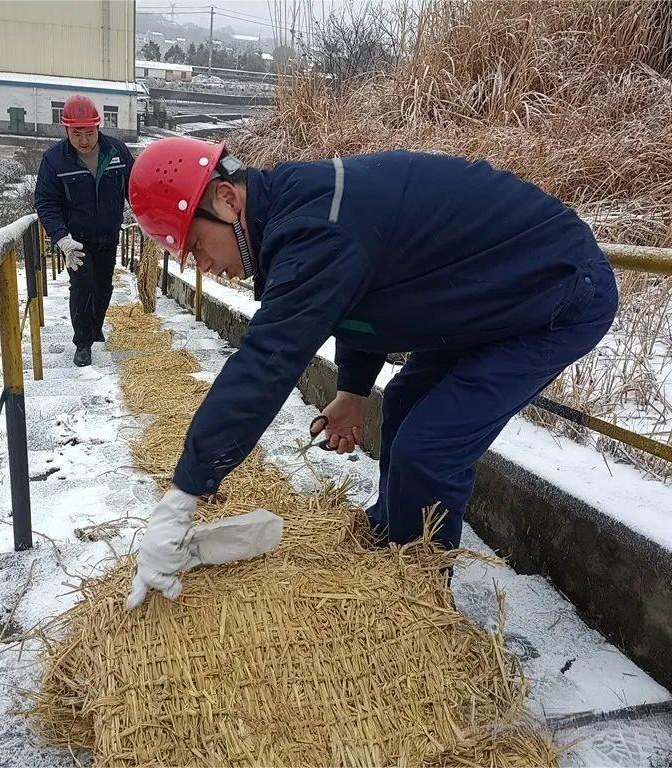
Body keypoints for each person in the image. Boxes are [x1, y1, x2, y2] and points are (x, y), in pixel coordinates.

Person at [124, 137, 618, 608]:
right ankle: (390, 538)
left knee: (428, 447)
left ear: (228, 200)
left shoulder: (314, 228)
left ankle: (419, 599)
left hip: (556, 294)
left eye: (197, 245)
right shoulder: (303, 210)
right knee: (402, 404)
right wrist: (354, 391)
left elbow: (265, 364)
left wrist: (184, 494)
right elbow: (364, 298)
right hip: (484, 296)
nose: (204, 266)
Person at [35, 94, 134, 367]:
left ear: (98, 127)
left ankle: (95, 326)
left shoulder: (118, 153)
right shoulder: (55, 160)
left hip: (108, 236)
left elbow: (135, 189)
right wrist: (61, 238)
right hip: (76, 241)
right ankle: (83, 343)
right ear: (65, 129)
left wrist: (149, 219)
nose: (84, 140)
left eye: (89, 132)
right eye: (76, 133)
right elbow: (45, 202)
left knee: (103, 287)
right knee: (81, 287)